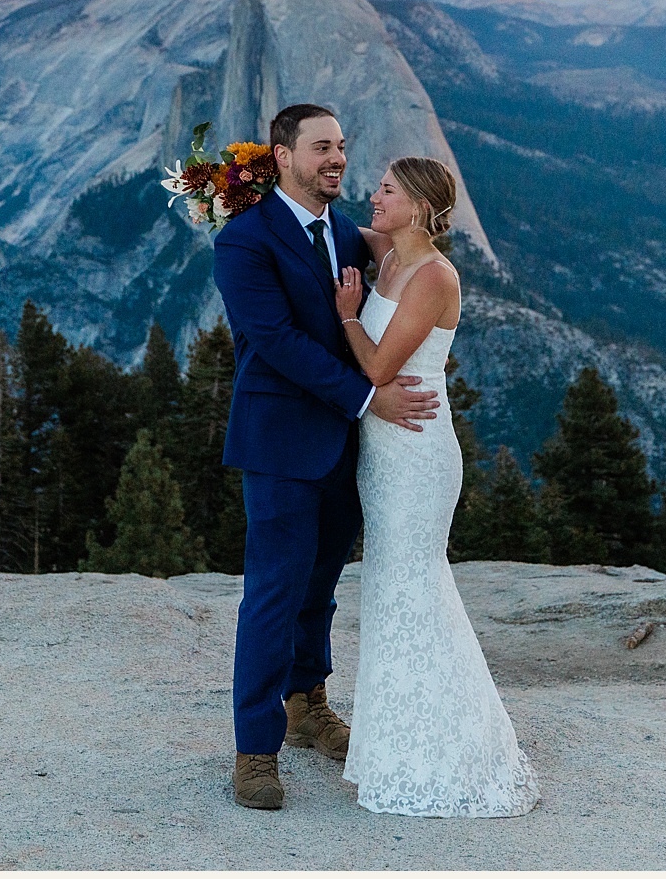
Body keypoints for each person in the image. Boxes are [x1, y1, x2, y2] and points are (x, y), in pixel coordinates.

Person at [211, 104, 441, 812]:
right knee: (274, 593)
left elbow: (411, 252)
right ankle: (256, 748)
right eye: (321, 148)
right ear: (282, 158)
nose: (337, 158)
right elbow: (275, 341)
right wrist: (369, 399)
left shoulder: (342, 229)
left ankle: (308, 703)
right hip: (281, 442)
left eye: (342, 145)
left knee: (320, 588)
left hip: (343, 447)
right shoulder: (243, 241)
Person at [335, 156, 540, 818]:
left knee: (415, 586)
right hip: (383, 453)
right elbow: (325, 226)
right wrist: (248, 191)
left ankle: (449, 749)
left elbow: (378, 363)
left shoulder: (433, 275)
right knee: (392, 589)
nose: (374, 195)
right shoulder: (389, 251)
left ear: (419, 206)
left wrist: (346, 314)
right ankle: (402, 739)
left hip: (418, 455)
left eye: (387, 190)